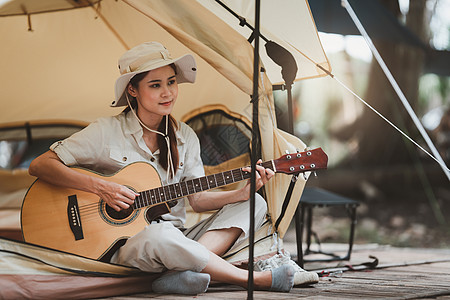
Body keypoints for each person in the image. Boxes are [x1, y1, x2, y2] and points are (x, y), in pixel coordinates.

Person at [29, 42, 311, 295]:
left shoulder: (185, 136)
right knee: (159, 234)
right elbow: (40, 164)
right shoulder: (106, 132)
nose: (167, 93)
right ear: (132, 90)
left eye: (172, 82)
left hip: (177, 237)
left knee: (255, 205)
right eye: (155, 85)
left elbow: (197, 201)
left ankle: (180, 274)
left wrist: (240, 194)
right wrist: (101, 187)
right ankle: (254, 280)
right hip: (125, 246)